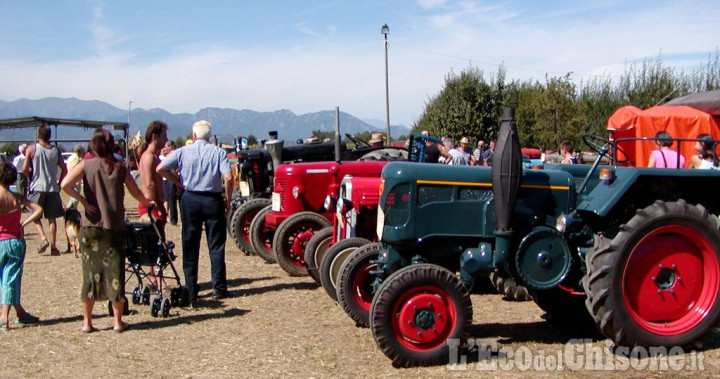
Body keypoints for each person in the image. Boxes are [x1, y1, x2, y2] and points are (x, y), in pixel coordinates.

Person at [61, 128, 153, 333]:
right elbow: (135, 191)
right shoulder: (119, 167)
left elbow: (65, 184)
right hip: (114, 227)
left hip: (91, 226)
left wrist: (83, 201)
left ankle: (87, 323)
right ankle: (118, 322)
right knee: (115, 274)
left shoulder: (86, 165)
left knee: (90, 275)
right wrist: (147, 203)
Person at [157, 120, 233, 305]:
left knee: (190, 243)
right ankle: (219, 288)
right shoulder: (218, 152)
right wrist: (228, 199)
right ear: (209, 136)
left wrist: (176, 181)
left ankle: (191, 289)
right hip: (212, 199)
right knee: (216, 245)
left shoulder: (182, 151)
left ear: (193, 136)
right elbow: (228, 177)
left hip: (189, 199)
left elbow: (160, 169)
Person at [0, 162, 43, 332]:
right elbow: (38, 209)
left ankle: (18, 313)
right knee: (11, 279)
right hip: (14, 241)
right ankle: (5, 317)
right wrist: (24, 223)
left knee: (5, 280)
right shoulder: (16, 197)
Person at [22, 124, 67, 256]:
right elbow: (64, 169)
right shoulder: (55, 151)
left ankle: (42, 237)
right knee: (52, 218)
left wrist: (30, 176)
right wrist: (59, 183)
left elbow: (24, 168)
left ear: (38, 135)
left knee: (35, 215)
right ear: (49, 136)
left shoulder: (32, 148)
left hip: (37, 186)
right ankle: (54, 246)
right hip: (52, 187)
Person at [138, 121, 168, 227]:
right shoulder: (148, 157)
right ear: (155, 136)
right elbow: (149, 184)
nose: (166, 139)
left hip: (154, 204)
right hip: (151, 204)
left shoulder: (153, 156)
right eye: (164, 136)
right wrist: (160, 206)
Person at [161, 141, 179, 225]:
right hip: (168, 179)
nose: (164, 148)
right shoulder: (170, 155)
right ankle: (169, 217)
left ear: (170, 147)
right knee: (167, 199)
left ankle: (173, 219)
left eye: (166, 146)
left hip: (171, 179)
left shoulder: (172, 155)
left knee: (171, 199)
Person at [65, 144, 85, 209]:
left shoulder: (71, 157)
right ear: (80, 151)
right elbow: (74, 169)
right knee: (75, 198)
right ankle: (69, 211)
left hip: (72, 181)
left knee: (74, 198)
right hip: (75, 181)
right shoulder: (75, 158)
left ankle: (70, 211)